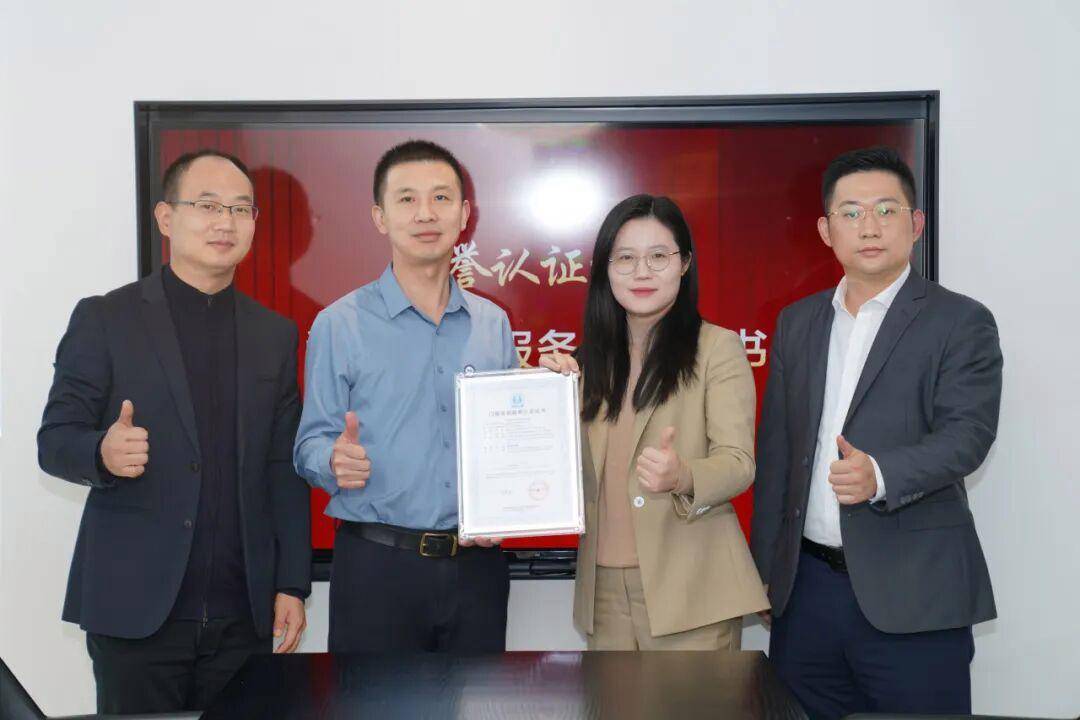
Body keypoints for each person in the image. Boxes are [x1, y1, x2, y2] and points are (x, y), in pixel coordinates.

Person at [38, 149, 311, 714]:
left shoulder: (274, 335)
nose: (225, 222)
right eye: (207, 205)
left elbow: (281, 468)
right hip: (136, 609)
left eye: (240, 208)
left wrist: (291, 583)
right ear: (166, 218)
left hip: (243, 615)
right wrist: (101, 452)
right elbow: (55, 439)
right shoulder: (106, 318)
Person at [750, 146, 1002, 719]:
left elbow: (968, 435)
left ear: (916, 224)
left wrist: (881, 475)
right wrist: (767, 574)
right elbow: (779, 455)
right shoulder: (798, 322)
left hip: (914, 593)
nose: (869, 227)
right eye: (851, 212)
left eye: (887, 210)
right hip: (806, 594)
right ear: (826, 230)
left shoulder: (960, 320)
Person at [293, 140, 517, 653]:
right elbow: (309, 444)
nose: (425, 214)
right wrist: (332, 460)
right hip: (377, 569)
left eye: (441, 198)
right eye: (407, 199)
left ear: (464, 214)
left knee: (480, 697)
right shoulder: (338, 324)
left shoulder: (493, 324)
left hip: (477, 568)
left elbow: (507, 445)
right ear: (380, 216)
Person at [542, 194, 768, 649]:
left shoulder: (716, 348)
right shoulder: (584, 364)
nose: (641, 272)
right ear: (605, 270)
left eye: (658, 256)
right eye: (625, 258)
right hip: (603, 593)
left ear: (684, 264)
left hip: (692, 590)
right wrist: (542, 400)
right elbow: (559, 474)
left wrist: (683, 475)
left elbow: (739, 462)